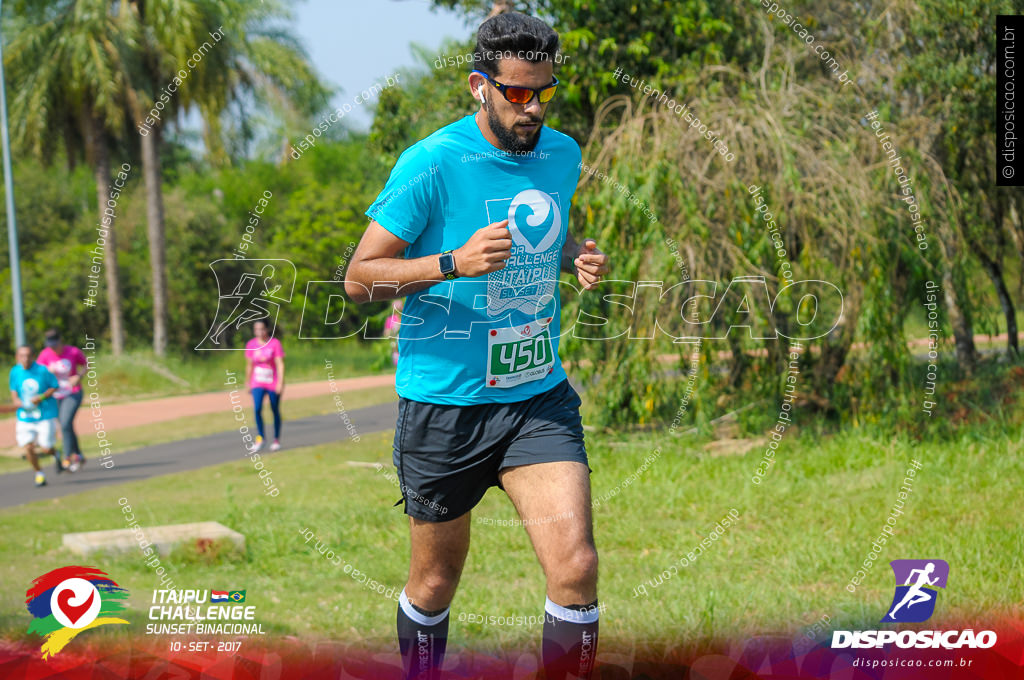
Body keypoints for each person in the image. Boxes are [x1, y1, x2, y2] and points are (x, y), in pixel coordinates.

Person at [346, 12, 610, 680]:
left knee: (575, 564)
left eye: (545, 91)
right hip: (445, 405)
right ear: (479, 87)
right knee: (434, 582)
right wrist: (452, 264)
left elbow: (537, 236)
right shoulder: (431, 163)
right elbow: (358, 278)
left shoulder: (562, 154)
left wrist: (572, 258)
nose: (534, 109)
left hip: (535, 397)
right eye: (518, 93)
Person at [8, 345, 60, 487]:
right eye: (22, 356)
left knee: (46, 448)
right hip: (25, 416)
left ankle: (55, 454)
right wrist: (16, 401)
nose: (25, 359)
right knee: (28, 447)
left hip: (44, 415)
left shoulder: (42, 370)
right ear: (17, 357)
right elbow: (14, 390)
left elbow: (54, 385)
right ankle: (39, 474)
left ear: (33, 356)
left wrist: (41, 397)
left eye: (28, 355)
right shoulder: (15, 371)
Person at [37, 329, 88, 471]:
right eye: (50, 345)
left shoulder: (73, 351)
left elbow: (86, 364)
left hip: (73, 392)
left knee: (65, 423)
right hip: (55, 395)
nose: (52, 348)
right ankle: (78, 455)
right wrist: (48, 373)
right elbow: (38, 373)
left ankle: (67, 457)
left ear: (61, 341)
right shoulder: (44, 355)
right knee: (66, 425)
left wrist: (78, 376)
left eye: (55, 344)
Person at [245, 318, 284, 452]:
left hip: (272, 382)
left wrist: (280, 382)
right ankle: (260, 438)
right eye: (256, 329)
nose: (259, 332)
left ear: (267, 329)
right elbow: (249, 365)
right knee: (257, 409)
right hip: (257, 382)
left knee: (274, 409)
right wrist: (248, 381)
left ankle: (276, 439)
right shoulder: (251, 344)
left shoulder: (275, 343)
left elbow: (280, 364)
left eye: (262, 329)